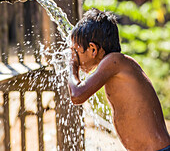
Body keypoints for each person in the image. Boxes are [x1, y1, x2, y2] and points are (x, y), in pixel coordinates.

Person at [68, 8, 170, 151]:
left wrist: (71, 64)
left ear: (92, 49)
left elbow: (77, 95)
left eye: (76, 51)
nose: (75, 57)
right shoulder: (117, 64)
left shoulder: (114, 61)